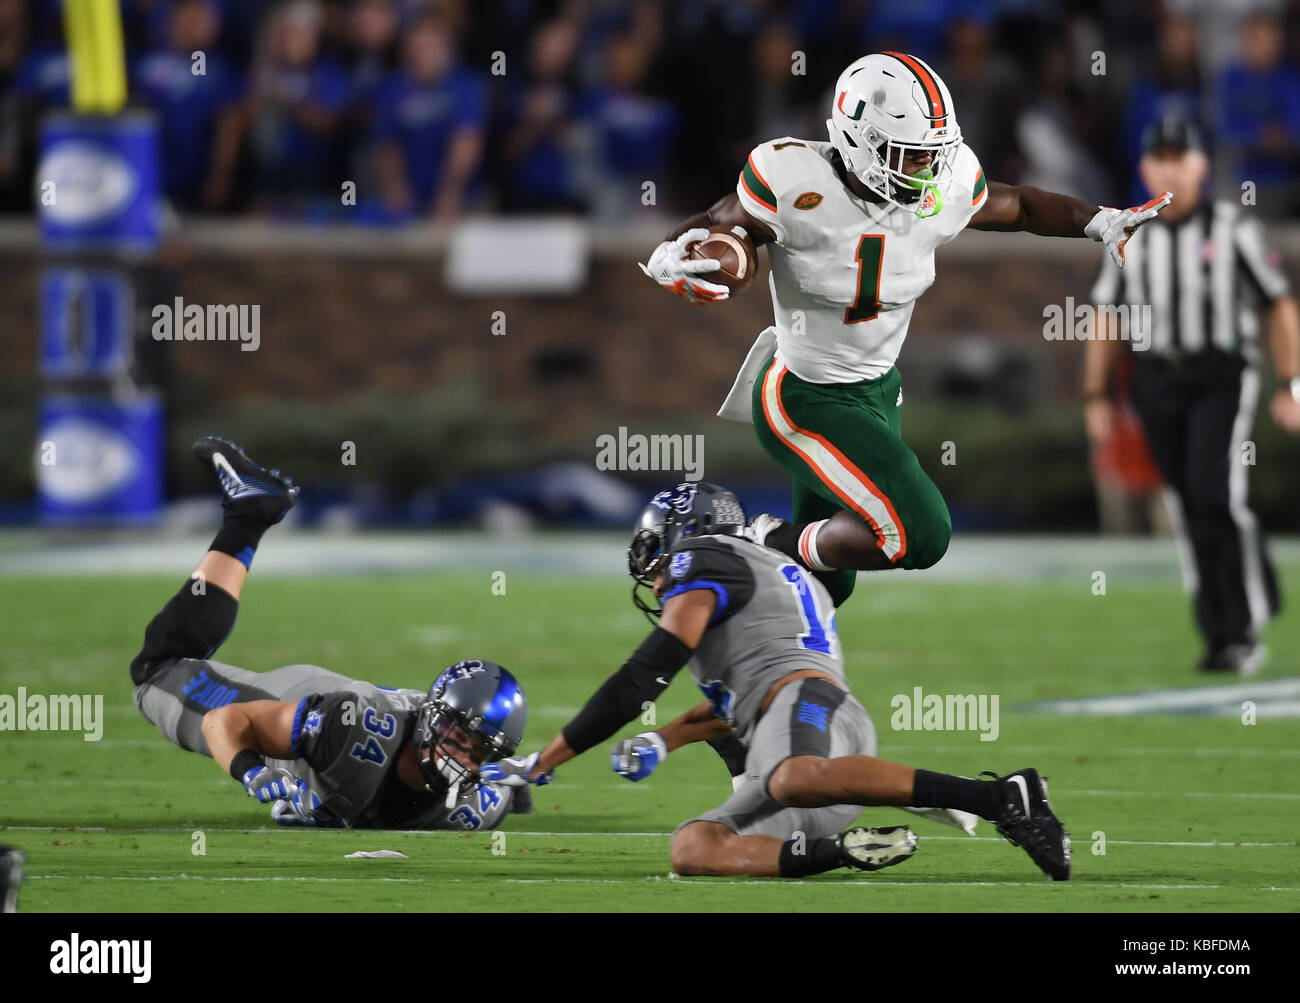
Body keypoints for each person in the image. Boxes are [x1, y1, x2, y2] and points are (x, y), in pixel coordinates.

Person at [638, 51, 1172, 609]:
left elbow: (1017, 205)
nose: (929, 171)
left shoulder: (942, 184)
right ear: (857, 141)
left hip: (878, 392)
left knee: (821, 588)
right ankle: (755, 540)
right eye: (913, 156)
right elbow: (722, 223)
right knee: (920, 531)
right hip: (803, 395)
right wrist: (673, 250)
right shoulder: (795, 182)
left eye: (935, 155)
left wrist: (1098, 220)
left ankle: (727, 626)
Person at [484, 482, 1071, 881]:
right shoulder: (762, 571)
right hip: (799, 738)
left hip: (806, 715)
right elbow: (731, 712)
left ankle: (998, 797)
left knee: (792, 776)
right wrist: (663, 741)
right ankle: (839, 853)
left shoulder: (703, 556)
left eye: (657, 557)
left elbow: (643, 674)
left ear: (681, 537)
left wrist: (549, 757)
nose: (658, 577)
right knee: (692, 848)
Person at [130, 436, 530, 830]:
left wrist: (519, 786)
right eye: (458, 738)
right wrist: (252, 771)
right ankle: (249, 513)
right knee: (156, 669)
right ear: (432, 718)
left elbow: (513, 790)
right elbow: (223, 721)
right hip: (302, 701)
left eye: (478, 751)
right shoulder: (348, 729)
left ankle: (250, 509)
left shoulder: (474, 808)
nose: (460, 757)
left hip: (366, 723)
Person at [1083, 116, 1300, 673]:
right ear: (1144, 167)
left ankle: (1237, 628)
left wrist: (1291, 382)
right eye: (1161, 157)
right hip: (1157, 378)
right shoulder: (1131, 231)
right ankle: (1229, 616)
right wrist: (1096, 395)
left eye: (1181, 157)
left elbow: (1279, 302)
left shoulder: (1232, 227)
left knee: (1211, 492)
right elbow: (1105, 316)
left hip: (1219, 372)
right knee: (1189, 499)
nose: (1170, 167)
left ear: (1201, 165)